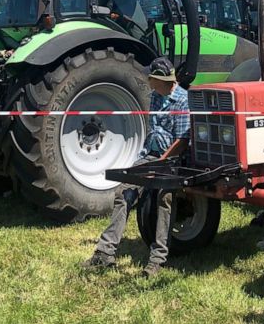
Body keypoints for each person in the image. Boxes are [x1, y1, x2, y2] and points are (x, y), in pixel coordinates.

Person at [81, 57, 190, 278]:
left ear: (161, 80)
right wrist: (141, 162)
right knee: (124, 193)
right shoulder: (155, 98)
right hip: (151, 156)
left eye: (152, 80)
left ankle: (157, 260)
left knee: (164, 198)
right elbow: (152, 132)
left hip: (173, 160)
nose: (149, 83)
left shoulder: (183, 101)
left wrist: (160, 164)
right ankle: (105, 252)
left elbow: (182, 141)